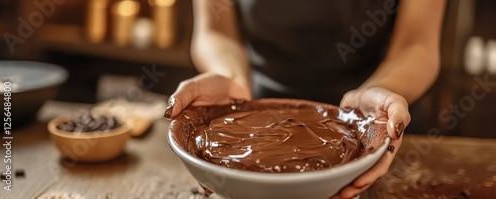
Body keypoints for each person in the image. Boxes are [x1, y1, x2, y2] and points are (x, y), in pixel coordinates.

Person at [164, 0, 446, 198]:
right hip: (251, 121)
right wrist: (230, 77)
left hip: (372, 113)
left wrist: (380, 91)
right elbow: (215, 31)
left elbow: (417, 44)